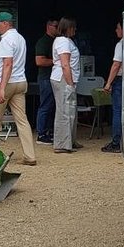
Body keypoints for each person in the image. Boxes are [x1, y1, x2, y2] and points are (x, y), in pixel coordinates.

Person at [0, 12, 36, 166]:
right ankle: (30, 155)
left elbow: (8, 64)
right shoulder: (20, 38)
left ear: (5, 23)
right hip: (20, 82)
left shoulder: (6, 40)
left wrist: (2, 88)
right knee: (22, 120)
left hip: (6, 83)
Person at [50, 17, 82, 154]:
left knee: (70, 109)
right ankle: (62, 144)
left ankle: (70, 141)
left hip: (67, 78)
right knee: (64, 111)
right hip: (63, 78)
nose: (75, 29)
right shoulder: (63, 41)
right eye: (73, 27)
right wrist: (69, 83)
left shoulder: (67, 41)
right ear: (67, 28)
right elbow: (65, 64)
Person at [34, 18, 59, 144]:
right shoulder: (43, 41)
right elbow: (39, 61)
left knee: (53, 106)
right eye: (56, 26)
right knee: (45, 105)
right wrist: (57, 61)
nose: (58, 28)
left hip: (54, 78)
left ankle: (49, 131)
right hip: (46, 78)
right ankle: (41, 133)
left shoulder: (57, 40)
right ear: (48, 26)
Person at [101, 20, 124, 153]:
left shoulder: (120, 45)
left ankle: (116, 142)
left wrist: (108, 83)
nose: (116, 30)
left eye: (118, 28)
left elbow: (116, 65)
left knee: (117, 111)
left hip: (120, 80)